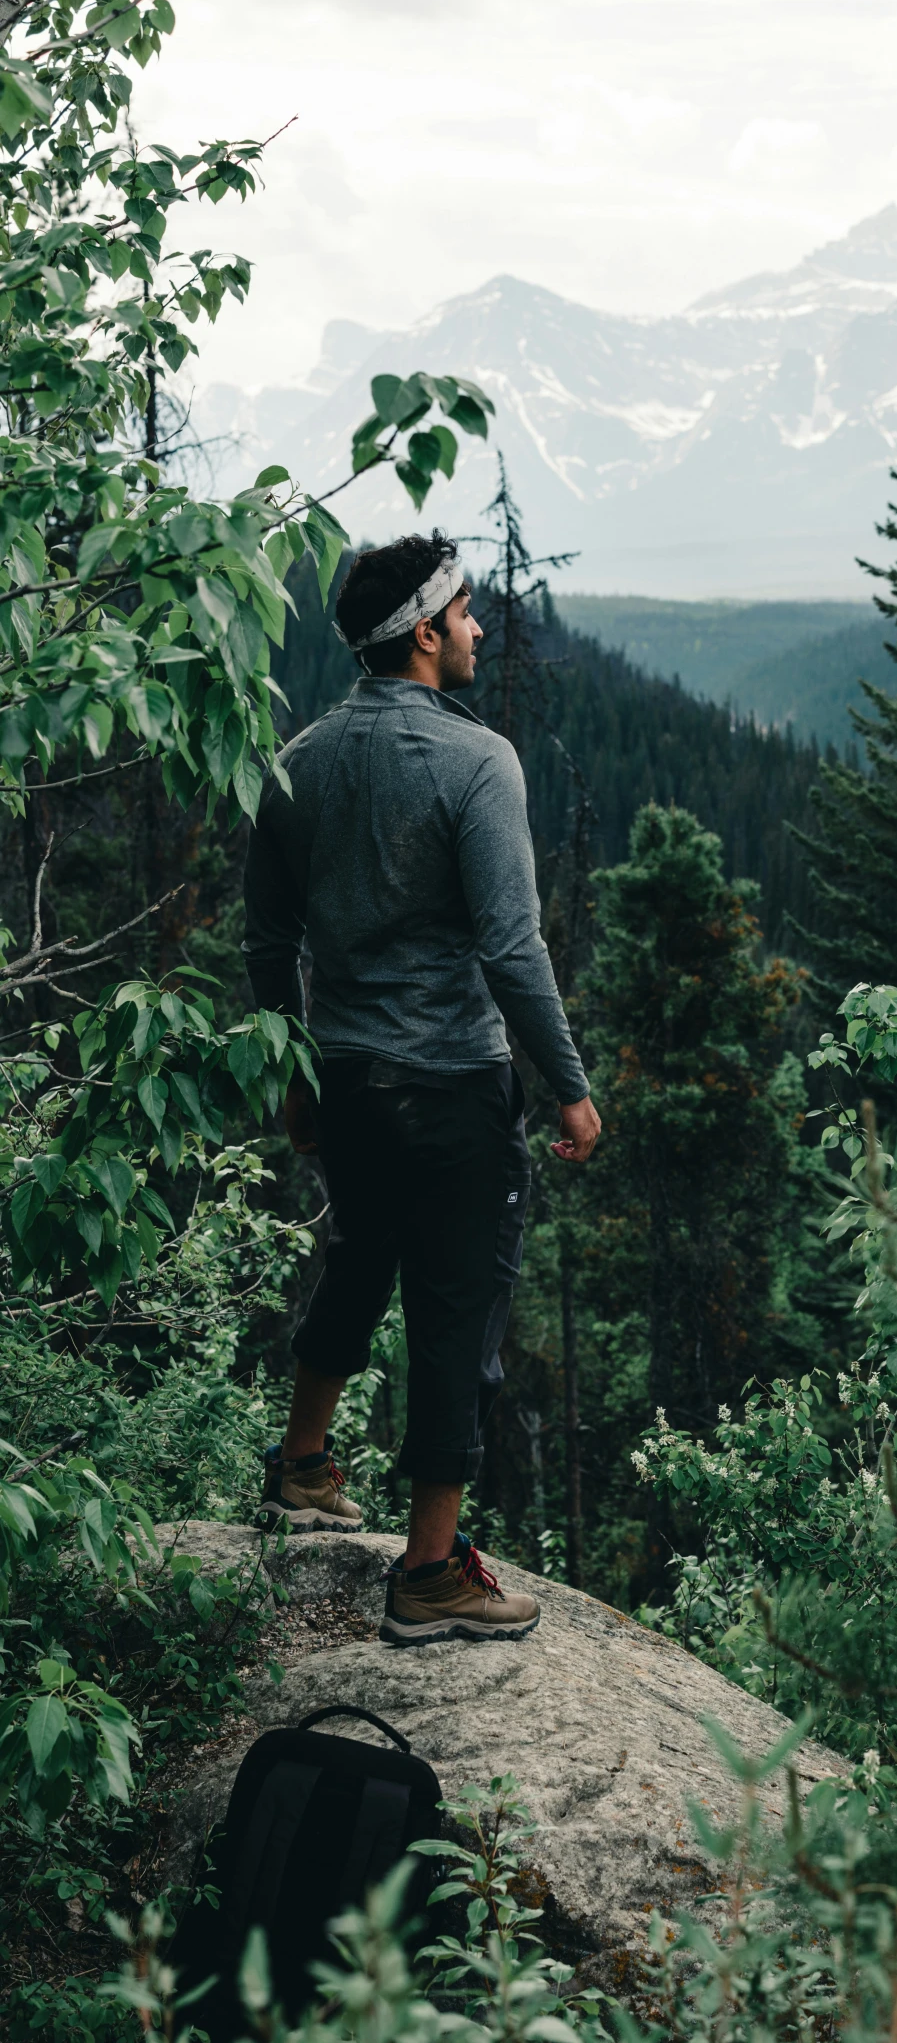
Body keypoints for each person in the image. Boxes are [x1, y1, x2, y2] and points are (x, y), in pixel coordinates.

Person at [242, 530, 601, 1648]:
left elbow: (267, 937)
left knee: (359, 1257)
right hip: (450, 1086)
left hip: (345, 1077)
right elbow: (510, 945)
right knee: (457, 1315)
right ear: (425, 632)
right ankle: (431, 1572)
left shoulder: (299, 758)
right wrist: (572, 1086)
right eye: (466, 612)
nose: (481, 629)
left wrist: (296, 1073)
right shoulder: (477, 760)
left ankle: (303, 1465)